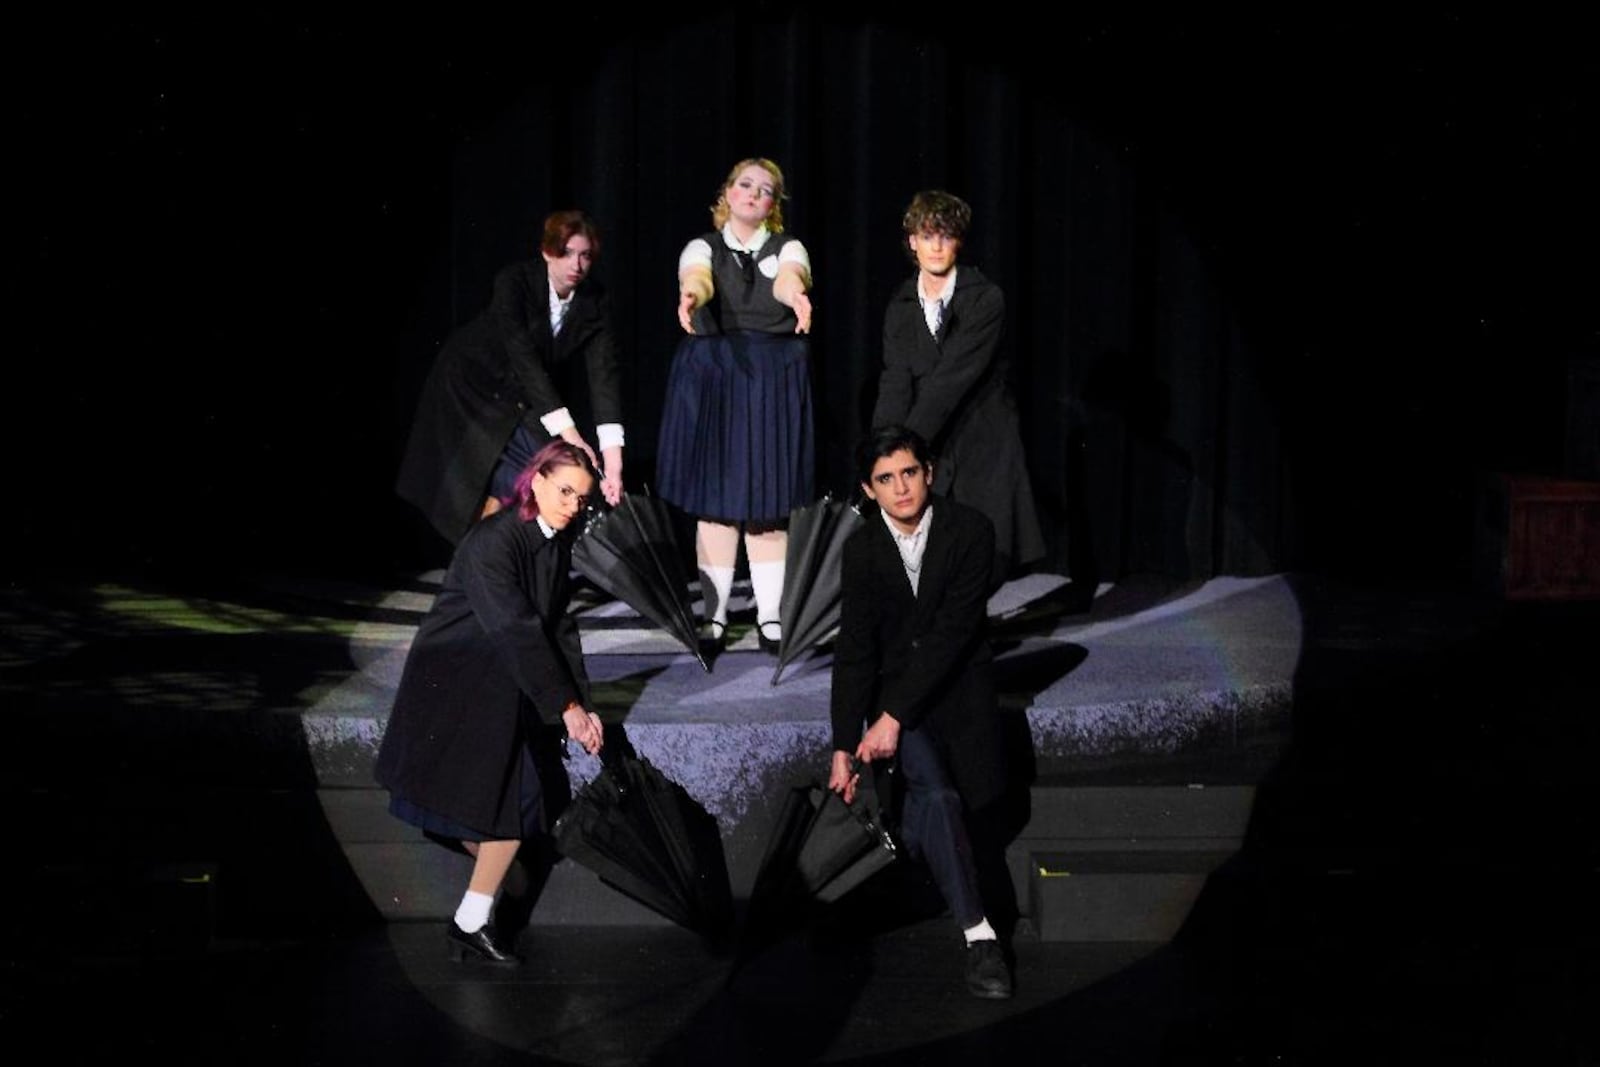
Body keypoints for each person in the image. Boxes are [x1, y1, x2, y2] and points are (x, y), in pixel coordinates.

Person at [375, 439, 604, 967]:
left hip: (498, 678)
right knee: (506, 807)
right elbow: (518, 629)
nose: (572, 505)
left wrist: (582, 706)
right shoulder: (496, 540)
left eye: (581, 498)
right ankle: (470, 920)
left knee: (513, 805)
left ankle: (473, 916)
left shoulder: (554, 541)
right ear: (537, 480)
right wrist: (565, 707)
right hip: (457, 678)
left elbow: (558, 626)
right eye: (564, 491)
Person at [827, 424, 1014, 1000]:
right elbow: (855, 648)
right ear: (869, 488)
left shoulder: (970, 530)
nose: (901, 488)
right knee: (938, 794)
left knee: (967, 802)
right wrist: (841, 742)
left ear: (928, 472)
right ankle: (980, 936)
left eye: (910, 472)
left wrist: (891, 719)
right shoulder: (860, 550)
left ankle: (915, 839)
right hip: (895, 702)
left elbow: (952, 635)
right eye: (886, 479)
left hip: (957, 692)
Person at [655, 157, 815, 655]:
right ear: (727, 192)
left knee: (767, 504)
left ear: (773, 205)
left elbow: (789, 277)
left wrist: (797, 298)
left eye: (766, 190)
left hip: (771, 374)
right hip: (715, 373)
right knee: (716, 502)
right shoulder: (701, 246)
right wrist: (690, 298)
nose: (754, 194)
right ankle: (716, 616)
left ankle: (770, 617)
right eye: (745, 185)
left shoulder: (787, 247)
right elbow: (698, 278)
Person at [395, 209, 625, 549]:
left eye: (585, 255)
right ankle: (482, 562)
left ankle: (507, 560)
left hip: (522, 394)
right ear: (548, 252)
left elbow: (604, 375)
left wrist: (614, 460)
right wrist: (572, 434)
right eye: (567, 253)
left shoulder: (594, 300)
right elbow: (524, 359)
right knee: (478, 477)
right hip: (472, 383)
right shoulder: (515, 282)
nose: (576, 265)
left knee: (537, 473)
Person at [871, 190, 1045, 592]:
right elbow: (895, 378)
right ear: (911, 240)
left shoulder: (984, 298)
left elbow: (951, 379)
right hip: (930, 439)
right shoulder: (900, 304)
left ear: (959, 242)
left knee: (986, 548)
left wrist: (902, 447)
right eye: (927, 235)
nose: (936, 246)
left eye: (946, 236)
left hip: (981, 437)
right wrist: (880, 446)